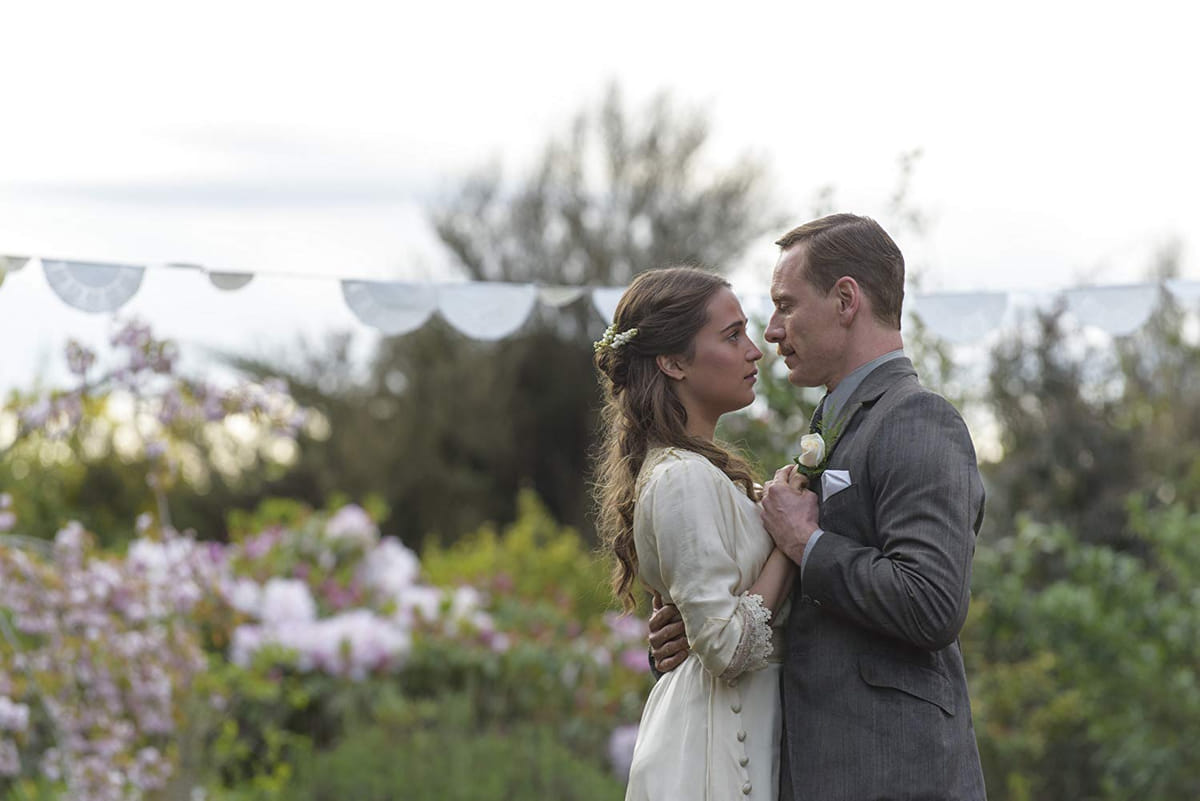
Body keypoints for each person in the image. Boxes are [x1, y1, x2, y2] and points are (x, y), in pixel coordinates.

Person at [649, 214, 987, 800]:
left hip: (892, 780)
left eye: (785, 305)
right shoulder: (834, 425)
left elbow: (931, 603)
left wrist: (808, 543)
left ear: (846, 300)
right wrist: (703, 626)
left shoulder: (917, 418)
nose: (772, 331)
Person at [593, 266, 794, 800]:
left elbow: (711, 619)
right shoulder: (681, 479)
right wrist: (790, 544)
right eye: (732, 336)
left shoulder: (701, 474)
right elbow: (726, 646)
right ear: (674, 362)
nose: (755, 351)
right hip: (712, 751)